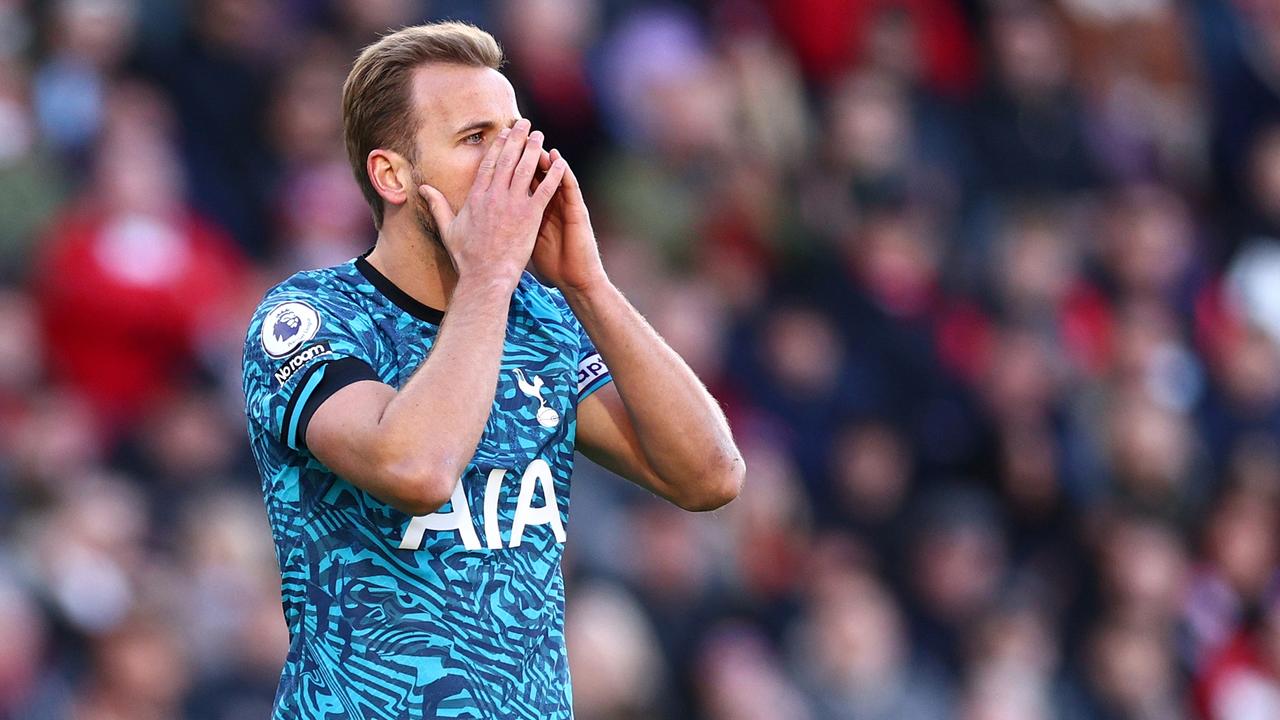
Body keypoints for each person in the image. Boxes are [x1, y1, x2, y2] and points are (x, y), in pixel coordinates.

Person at [240, 22, 744, 719]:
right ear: (392, 175)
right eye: (476, 138)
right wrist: (488, 279)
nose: (512, 163)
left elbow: (710, 475)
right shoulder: (310, 318)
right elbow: (416, 468)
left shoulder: (542, 318)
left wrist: (588, 284)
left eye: (516, 135)